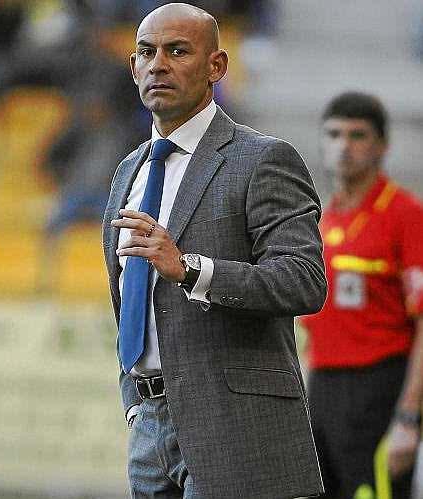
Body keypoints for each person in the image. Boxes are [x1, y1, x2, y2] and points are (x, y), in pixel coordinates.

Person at [102, 4, 327, 498]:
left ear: (216, 67)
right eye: (146, 52)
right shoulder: (127, 174)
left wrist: (190, 269)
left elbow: (303, 280)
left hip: (237, 430)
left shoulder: (263, 159)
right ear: (134, 68)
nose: (158, 64)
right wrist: (135, 402)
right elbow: (128, 303)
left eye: (177, 51)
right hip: (149, 430)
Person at [301, 92, 423, 498]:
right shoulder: (324, 218)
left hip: (379, 387)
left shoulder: (404, 214)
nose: (344, 146)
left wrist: (408, 416)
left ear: (382, 146)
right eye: (334, 134)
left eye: (358, 135)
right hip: (323, 386)